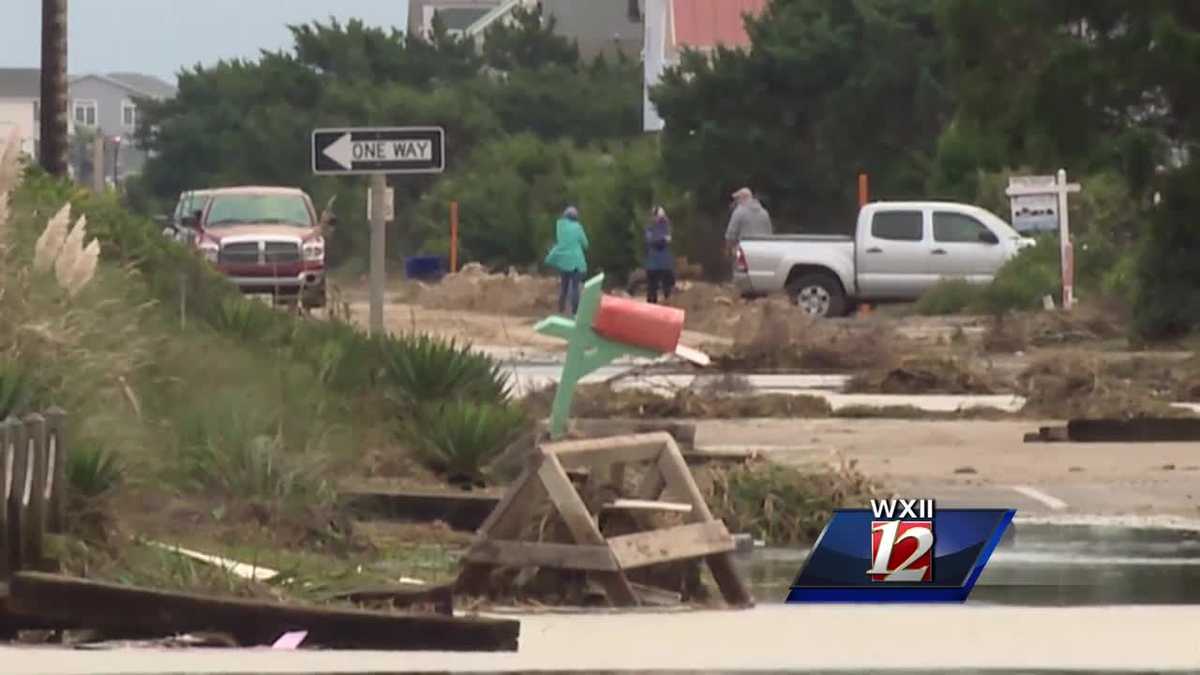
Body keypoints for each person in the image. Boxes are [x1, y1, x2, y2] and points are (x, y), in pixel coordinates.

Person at [544, 205, 589, 315]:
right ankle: (575, 312)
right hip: (576, 263)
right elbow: (586, 244)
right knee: (575, 288)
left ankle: (561, 310)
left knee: (564, 287)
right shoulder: (578, 228)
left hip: (564, 263)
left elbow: (561, 243)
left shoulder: (560, 228)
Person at [724, 187, 773, 256]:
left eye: (735, 200)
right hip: (763, 253)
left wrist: (728, 251)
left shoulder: (739, 212)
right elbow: (769, 234)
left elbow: (730, 235)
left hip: (744, 253)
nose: (734, 203)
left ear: (740, 199)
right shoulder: (764, 212)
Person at [644, 206, 675, 304]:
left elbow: (667, 239)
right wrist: (662, 239)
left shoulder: (666, 226)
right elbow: (652, 241)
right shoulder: (650, 227)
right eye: (660, 215)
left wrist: (662, 240)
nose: (662, 217)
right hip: (653, 264)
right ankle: (651, 310)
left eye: (663, 215)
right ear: (654, 216)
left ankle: (668, 308)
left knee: (667, 288)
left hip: (664, 263)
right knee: (652, 290)